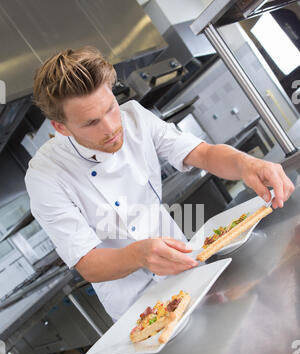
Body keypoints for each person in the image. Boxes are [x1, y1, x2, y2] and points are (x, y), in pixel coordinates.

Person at [25, 46, 295, 322]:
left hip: (187, 268)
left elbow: (200, 153)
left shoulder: (135, 117)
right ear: (61, 127)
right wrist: (139, 254)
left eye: (110, 108)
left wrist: (246, 164)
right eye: (91, 123)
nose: (110, 128)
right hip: (138, 307)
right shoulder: (45, 176)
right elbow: (87, 263)